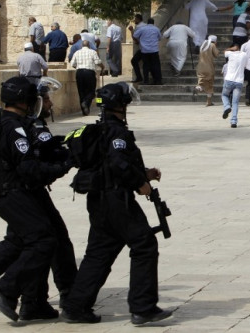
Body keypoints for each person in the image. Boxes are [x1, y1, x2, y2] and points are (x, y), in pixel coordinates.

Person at [61, 82, 172, 325]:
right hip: (116, 200)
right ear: (120, 105)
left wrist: (145, 173)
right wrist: (139, 183)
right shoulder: (117, 132)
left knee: (99, 253)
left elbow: (110, 162)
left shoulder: (103, 130)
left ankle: (75, 306)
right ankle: (143, 307)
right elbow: (117, 163)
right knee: (144, 245)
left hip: (100, 199)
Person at [0, 77, 67, 321]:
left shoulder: (12, 123)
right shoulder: (14, 128)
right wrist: (62, 166)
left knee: (21, 241)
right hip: (14, 193)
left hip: (15, 192)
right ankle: (6, 291)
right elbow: (27, 167)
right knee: (42, 241)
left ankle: (27, 298)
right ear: (25, 101)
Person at [70, 38, 104, 116]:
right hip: (89, 72)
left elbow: (72, 64)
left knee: (81, 91)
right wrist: (102, 66)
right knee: (91, 91)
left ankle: (84, 110)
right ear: (89, 45)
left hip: (79, 72)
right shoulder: (93, 52)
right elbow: (97, 61)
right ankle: (86, 103)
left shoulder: (77, 52)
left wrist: (78, 67)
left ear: (82, 45)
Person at [221, 44, 248, 128]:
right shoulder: (244, 54)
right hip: (239, 81)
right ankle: (234, 121)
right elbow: (245, 66)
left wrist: (230, 48)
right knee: (235, 102)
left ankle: (227, 106)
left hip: (229, 79)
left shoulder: (230, 53)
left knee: (224, 95)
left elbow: (224, 51)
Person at [132, 17, 162, 85]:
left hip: (145, 50)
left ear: (147, 23)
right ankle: (158, 80)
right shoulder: (156, 29)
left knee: (146, 65)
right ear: (153, 23)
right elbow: (160, 38)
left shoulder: (143, 29)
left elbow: (135, 35)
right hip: (154, 50)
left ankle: (146, 81)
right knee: (156, 65)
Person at [194, 35, 219, 106]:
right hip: (209, 67)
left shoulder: (203, 44)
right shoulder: (212, 45)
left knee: (201, 80)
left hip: (200, 67)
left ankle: (199, 87)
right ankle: (208, 101)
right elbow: (216, 54)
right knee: (209, 84)